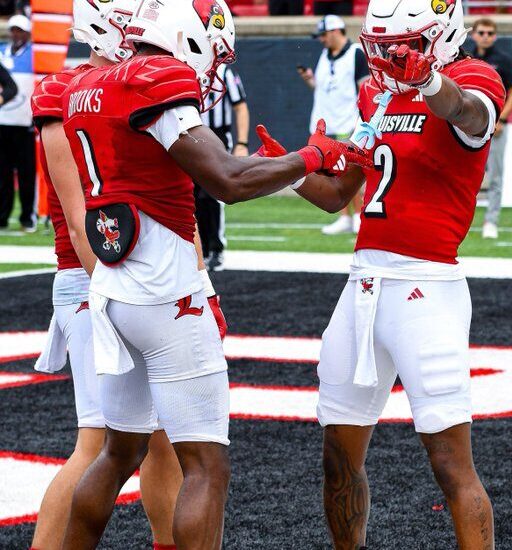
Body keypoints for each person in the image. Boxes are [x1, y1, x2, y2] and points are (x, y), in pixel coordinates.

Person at [60, 1, 370, 548]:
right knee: (206, 465)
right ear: (190, 36)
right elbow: (226, 179)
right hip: (163, 291)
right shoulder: (160, 76)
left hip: (114, 283)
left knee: (117, 453)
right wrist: (311, 156)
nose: (212, 72)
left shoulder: (95, 81)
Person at [260, 0, 505, 546]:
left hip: (427, 288)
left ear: (440, 37)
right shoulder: (377, 92)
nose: (390, 56)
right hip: (362, 283)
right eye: (383, 45)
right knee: (337, 458)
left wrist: (430, 80)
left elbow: (468, 112)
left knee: (449, 465)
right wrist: (292, 170)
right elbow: (339, 194)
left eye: (405, 45)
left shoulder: (472, 75)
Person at [30, 2, 184, 550]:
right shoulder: (62, 91)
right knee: (97, 442)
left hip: (139, 280)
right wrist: (115, 293)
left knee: (167, 440)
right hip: (94, 278)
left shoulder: (132, 83)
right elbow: (78, 221)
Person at [298, 15, 369, 235]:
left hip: (347, 120)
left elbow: (364, 88)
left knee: (348, 171)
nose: (321, 40)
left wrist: (362, 121)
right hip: (325, 122)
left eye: (324, 35)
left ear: (336, 31)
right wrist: (309, 80)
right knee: (330, 173)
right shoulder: (324, 56)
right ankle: (345, 217)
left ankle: (359, 215)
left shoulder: (356, 53)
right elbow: (323, 89)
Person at [470, 18, 512, 239]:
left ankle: (491, 220)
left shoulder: (504, 60)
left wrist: (500, 119)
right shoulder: (467, 57)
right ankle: (461, 219)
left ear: (495, 35)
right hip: (469, 124)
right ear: (473, 34)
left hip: (496, 125)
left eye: (490, 33)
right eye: (482, 32)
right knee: (466, 174)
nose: (486, 36)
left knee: (496, 175)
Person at [196, 64, 250, 272]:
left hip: (217, 137)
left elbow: (240, 106)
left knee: (212, 195)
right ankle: (201, 249)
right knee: (191, 196)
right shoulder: (188, 68)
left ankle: (216, 248)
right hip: (191, 136)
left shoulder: (225, 72)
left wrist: (242, 143)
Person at [0, 14, 36, 232]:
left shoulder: (35, 54)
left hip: (25, 122)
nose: (16, 34)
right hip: (3, 121)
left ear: (28, 33)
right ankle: (2, 216)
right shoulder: (1, 51)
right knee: (2, 173)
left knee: (26, 174)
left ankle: (26, 217)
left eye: (20, 30)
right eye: (13, 30)